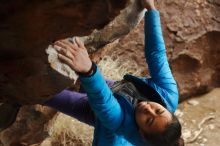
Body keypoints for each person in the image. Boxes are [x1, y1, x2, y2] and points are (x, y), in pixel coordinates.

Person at [44, 0, 184, 145]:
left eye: (149, 120)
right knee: (93, 84)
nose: (148, 108)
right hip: (119, 94)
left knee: (48, 94)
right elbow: (157, 55)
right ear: (169, 112)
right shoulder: (168, 93)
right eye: (159, 111)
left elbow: (103, 101)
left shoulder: (119, 122)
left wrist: (88, 70)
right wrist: (151, 10)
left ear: (142, 133)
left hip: (106, 121)